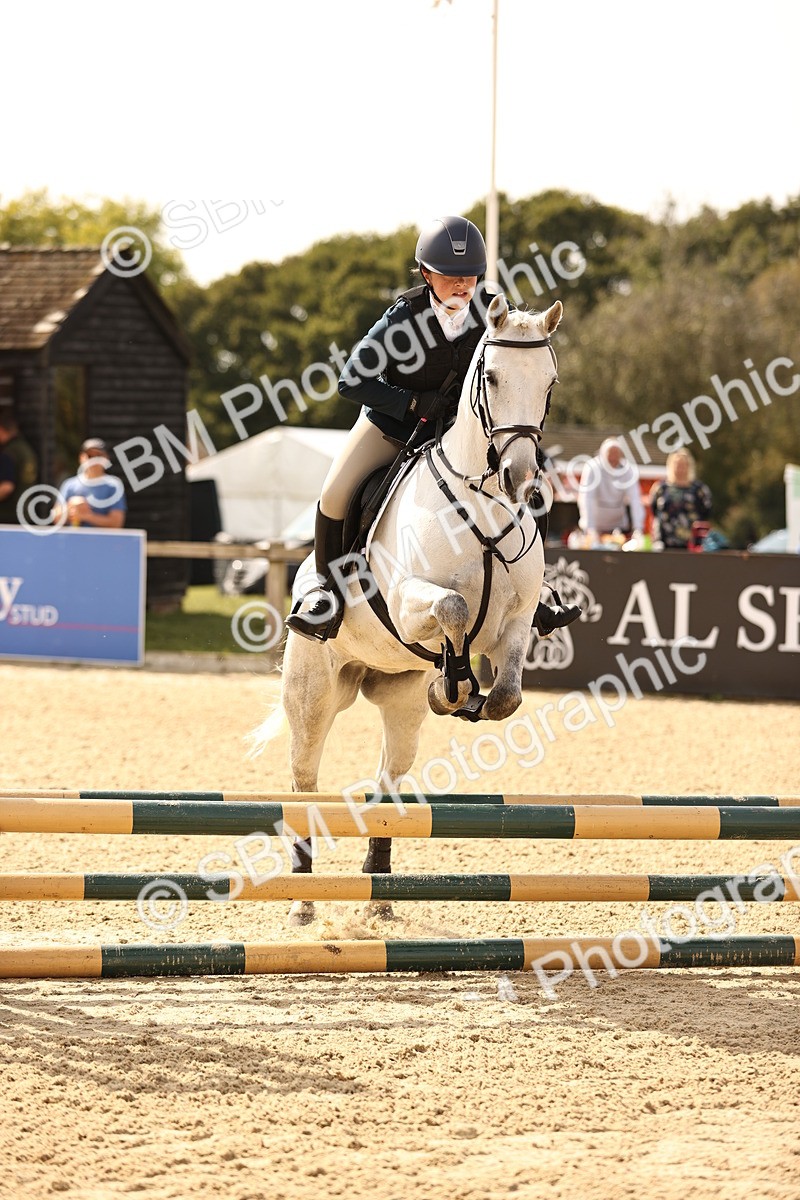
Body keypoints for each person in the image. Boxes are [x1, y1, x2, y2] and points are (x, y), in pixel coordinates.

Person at [286, 215, 581, 642]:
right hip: (393, 427)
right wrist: (410, 402)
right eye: (450, 277)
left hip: (464, 434)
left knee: (534, 485)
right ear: (426, 274)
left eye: (470, 276)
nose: (463, 286)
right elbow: (352, 380)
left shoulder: (492, 311)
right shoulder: (403, 319)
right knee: (335, 492)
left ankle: (536, 591)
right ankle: (325, 594)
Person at [577, 437, 645, 542]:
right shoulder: (592, 468)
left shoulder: (628, 470)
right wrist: (590, 528)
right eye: (610, 454)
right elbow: (586, 498)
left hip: (618, 526)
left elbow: (635, 499)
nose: (613, 458)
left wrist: (638, 528)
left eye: (616, 454)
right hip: (595, 526)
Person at [51, 439, 127, 529]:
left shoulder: (113, 486)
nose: (94, 460)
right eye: (90, 456)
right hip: (74, 541)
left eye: (98, 455)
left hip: (102, 541)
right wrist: (70, 508)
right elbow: (56, 517)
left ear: (106, 458)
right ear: (81, 458)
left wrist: (86, 516)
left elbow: (116, 522)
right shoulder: (69, 485)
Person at [649, 448, 712, 549]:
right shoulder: (660, 488)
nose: (680, 469)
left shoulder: (699, 489)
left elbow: (706, 512)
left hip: (692, 545)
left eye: (683, 465)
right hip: (665, 543)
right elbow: (654, 511)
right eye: (677, 465)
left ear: (689, 466)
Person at [0, 405, 38, 525]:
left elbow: (6, 487)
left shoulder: (9, 452)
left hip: (8, 516)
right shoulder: (26, 449)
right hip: (25, 513)